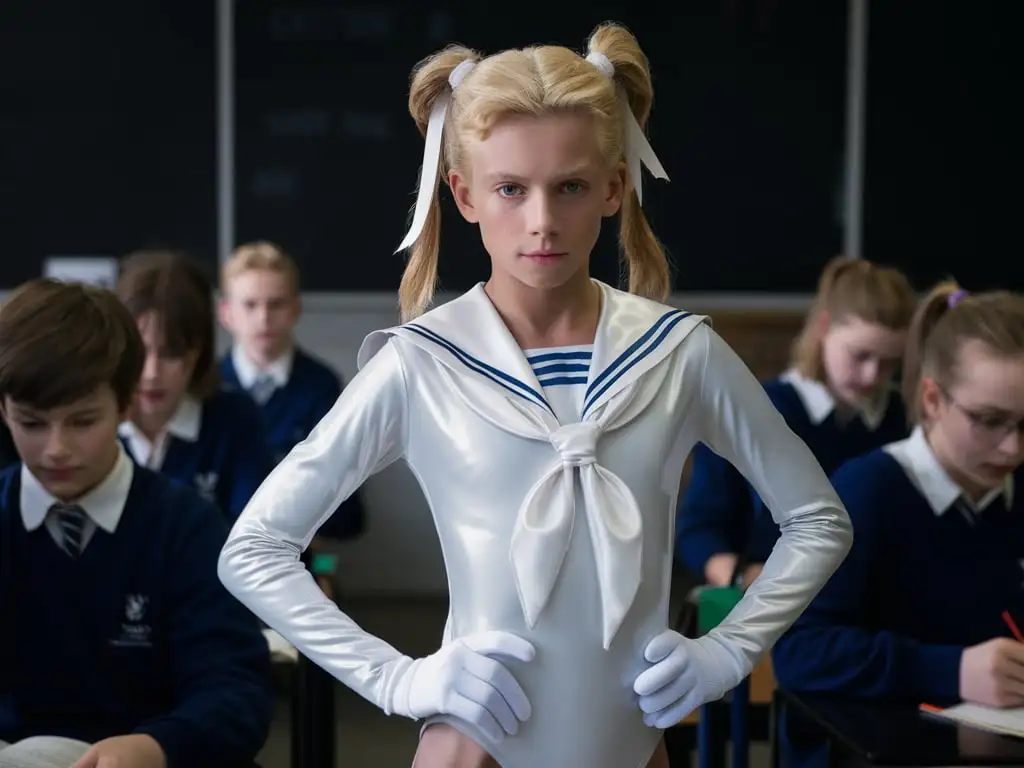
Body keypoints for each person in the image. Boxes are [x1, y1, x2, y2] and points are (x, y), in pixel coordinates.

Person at [218, 23, 852, 768]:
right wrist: (398, 678)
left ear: (615, 187)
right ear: (464, 194)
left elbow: (818, 520)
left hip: (632, 741)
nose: (543, 221)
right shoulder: (423, 364)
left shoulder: (679, 353)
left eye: (571, 187)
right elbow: (254, 549)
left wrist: (729, 652)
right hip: (473, 746)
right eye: (511, 189)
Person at [0, 278, 274, 768]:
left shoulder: (187, 527)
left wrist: (159, 747)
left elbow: (237, 692)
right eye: (32, 424)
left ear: (126, 404)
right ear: (4, 410)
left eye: (83, 421)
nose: (56, 449)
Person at [773, 281, 1024, 705]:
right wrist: (951, 671)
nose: (1013, 448)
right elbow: (799, 652)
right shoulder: (867, 492)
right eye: (988, 419)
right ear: (932, 399)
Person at [677, 256, 915, 588]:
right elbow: (699, 528)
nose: (872, 375)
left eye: (890, 363)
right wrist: (742, 577)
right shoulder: (754, 407)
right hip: (772, 599)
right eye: (860, 356)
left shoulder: (903, 419)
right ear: (823, 328)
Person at [116, 250, 275, 523]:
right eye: (141, 354)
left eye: (171, 354)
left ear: (198, 351)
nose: (152, 373)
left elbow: (254, 538)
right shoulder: (92, 419)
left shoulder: (236, 419)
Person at [218, 241, 363, 539]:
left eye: (275, 304)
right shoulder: (207, 385)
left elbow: (344, 504)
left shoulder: (321, 386)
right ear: (226, 313)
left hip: (300, 550)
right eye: (250, 305)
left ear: (295, 309)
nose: (263, 318)